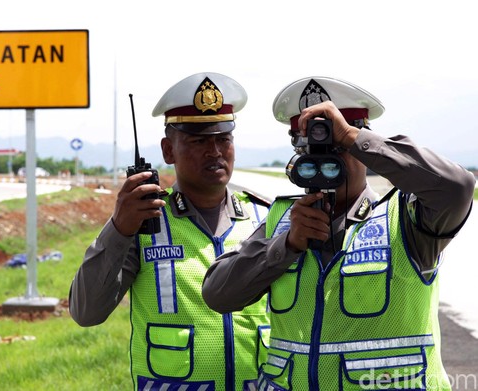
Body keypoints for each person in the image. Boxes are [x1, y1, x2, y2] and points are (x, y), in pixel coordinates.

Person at [202, 76, 476, 390]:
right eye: (309, 145)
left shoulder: (405, 221)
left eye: (337, 145)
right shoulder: (283, 223)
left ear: (362, 142)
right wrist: (286, 246)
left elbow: (457, 188)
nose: (325, 157)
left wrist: (351, 137)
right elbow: (217, 293)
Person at [69, 72, 271, 390]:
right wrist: (119, 229)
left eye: (223, 139)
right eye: (199, 141)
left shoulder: (265, 219)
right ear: (168, 151)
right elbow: (86, 311)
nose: (215, 151)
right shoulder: (144, 222)